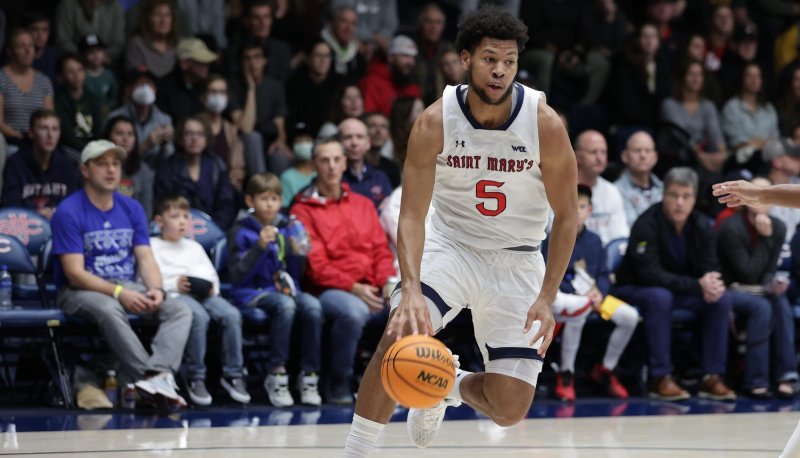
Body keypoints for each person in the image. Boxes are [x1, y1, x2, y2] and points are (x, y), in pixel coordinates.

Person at [343, 6, 577, 455]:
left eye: (509, 61)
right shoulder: (435, 121)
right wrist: (410, 286)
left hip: (518, 256)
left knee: (509, 409)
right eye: (490, 58)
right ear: (466, 59)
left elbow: (567, 217)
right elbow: (411, 214)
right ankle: (357, 449)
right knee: (400, 331)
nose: (500, 71)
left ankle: (445, 383)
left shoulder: (544, 123)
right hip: (451, 246)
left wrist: (547, 296)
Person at [52, 139, 192, 410]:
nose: (111, 170)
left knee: (179, 310)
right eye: (102, 164)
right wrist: (119, 293)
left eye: (115, 164)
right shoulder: (68, 211)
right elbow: (74, 273)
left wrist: (156, 290)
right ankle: (149, 379)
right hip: (80, 291)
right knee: (109, 309)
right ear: (85, 170)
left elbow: (145, 257)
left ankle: (159, 374)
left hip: (126, 284)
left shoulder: (132, 208)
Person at [612, 167, 735, 401]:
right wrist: (698, 285)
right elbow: (650, 274)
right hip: (635, 289)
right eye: (673, 195)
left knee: (720, 298)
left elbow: (711, 264)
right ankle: (661, 378)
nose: (679, 203)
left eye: (686, 197)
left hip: (680, 290)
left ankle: (712, 376)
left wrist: (712, 283)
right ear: (663, 195)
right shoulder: (646, 223)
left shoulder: (701, 224)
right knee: (660, 297)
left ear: (694, 198)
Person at [290, 138, 396, 405]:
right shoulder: (302, 209)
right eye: (324, 160)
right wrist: (354, 287)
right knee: (353, 312)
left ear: (345, 163)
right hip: (329, 289)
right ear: (315, 165)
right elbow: (316, 267)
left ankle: (393, 380)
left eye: (337, 160)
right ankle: (339, 379)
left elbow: (381, 251)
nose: (331, 166)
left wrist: (387, 282)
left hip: (371, 285)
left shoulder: (363, 204)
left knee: (406, 306)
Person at [713, 173, 800, 458]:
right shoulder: (732, 227)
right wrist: (763, 196)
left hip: (759, 291)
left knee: (777, 304)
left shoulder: (775, 227)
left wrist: (763, 196)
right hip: (737, 292)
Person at [228, 173, 323, 407]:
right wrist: (259, 247)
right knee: (286, 306)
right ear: (250, 201)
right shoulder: (241, 230)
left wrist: (295, 252)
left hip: (281, 289)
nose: (270, 204)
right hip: (250, 292)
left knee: (312, 306)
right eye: (264, 198)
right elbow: (237, 275)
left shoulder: (285, 227)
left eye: (275, 198)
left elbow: (293, 272)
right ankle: (277, 373)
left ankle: (308, 374)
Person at [150, 195, 251, 406]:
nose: (182, 222)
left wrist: (210, 287)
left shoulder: (193, 247)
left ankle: (234, 373)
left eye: (185, 217)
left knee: (231, 314)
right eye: (174, 216)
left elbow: (211, 274)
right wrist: (173, 284)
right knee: (198, 316)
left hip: (203, 294)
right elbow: (148, 279)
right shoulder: (152, 246)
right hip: (175, 295)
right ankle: (195, 375)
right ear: (159, 221)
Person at [545, 184, 639, 401]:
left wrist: (601, 294)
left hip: (594, 296)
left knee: (629, 317)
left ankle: (606, 369)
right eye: (572, 205)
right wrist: (581, 296)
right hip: (566, 296)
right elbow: (547, 275)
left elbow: (604, 274)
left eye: (582, 206)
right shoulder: (551, 237)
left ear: (590, 210)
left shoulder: (595, 241)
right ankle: (566, 373)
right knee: (579, 311)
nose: (577, 211)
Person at [154, 116, 237, 229]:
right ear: (181, 138)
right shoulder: (168, 167)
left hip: (215, 230)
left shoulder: (217, 165)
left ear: (207, 138)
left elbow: (226, 205)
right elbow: (163, 205)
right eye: (189, 133)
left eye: (200, 133)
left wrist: (214, 230)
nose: (194, 138)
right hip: (177, 230)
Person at [1, 110, 81, 218]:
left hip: (61, 225)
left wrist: (55, 213)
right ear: (31, 133)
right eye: (44, 128)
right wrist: (36, 215)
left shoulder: (68, 165)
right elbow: (10, 205)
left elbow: (75, 204)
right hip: (25, 227)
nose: (50, 135)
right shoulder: (15, 163)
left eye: (55, 129)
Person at [107, 67, 175, 166]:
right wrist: (146, 144)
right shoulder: (115, 118)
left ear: (155, 90)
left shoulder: (164, 119)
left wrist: (164, 146)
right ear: (129, 89)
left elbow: (169, 159)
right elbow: (111, 157)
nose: (145, 88)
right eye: (139, 84)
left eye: (149, 84)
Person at [0, 29, 54, 147]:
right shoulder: (1, 78)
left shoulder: (44, 81)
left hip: (39, 141)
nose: (28, 51)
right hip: (10, 141)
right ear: (10, 51)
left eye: (31, 45)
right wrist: (20, 137)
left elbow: (49, 118)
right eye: (21, 46)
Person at [575, 130, 629, 246]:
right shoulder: (562, 189)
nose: (599, 158)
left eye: (603, 152)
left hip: (607, 260)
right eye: (593, 152)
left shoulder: (612, 191)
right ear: (577, 156)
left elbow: (620, 237)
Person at [196, 74, 247, 192]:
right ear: (203, 96)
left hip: (224, 187)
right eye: (213, 92)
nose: (218, 96)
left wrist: (236, 175)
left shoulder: (231, 130)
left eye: (222, 92)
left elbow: (239, 167)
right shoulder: (193, 126)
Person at [156, 37, 218, 121]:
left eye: (207, 62)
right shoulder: (163, 89)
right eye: (201, 61)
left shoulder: (207, 86)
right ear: (184, 64)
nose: (207, 65)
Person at [104, 116, 155, 219]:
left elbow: (146, 213)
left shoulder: (144, 171)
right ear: (108, 137)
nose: (125, 139)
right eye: (119, 133)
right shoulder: (97, 168)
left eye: (130, 134)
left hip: (133, 227)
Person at [359, 35, 422, 117]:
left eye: (413, 57)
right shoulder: (372, 82)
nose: (410, 62)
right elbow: (370, 116)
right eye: (405, 56)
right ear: (391, 57)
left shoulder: (413, 86)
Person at [55, 54, 105, 152]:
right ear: (61, 76)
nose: (76, 75)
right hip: (68, 151)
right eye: (70, 71)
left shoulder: (93, 99)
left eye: (79, 70)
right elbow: (67, 136)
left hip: (93, 150)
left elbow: (98, 131)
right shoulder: (59, 101)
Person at [339, 117, 392, 209]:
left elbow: (390, 212)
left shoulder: (380, 178)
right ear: (338, 142)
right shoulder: (331, 178)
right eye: (348, 137)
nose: (354, 143)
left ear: (368, 143)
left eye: (359, 137)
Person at [614, 131, 663, 227]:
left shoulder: (665, 189)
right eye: (637, 150)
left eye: (647, 151)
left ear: (655, 157)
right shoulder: (615, 191)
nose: (642, 155)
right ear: (625, 156)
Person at [55, 0, 125, 64]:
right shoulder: (67, 5)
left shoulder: (115, 6)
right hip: (77, 61)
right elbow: (63, 40)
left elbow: (117, 42)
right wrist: (83, 58)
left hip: (107, 62)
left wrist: (102, 57)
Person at [125, 0, 181, 78]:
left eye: (167, 15)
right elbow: (134, 77)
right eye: (158, 15)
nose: (163, 21)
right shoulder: (137, 44)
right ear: (148, 18)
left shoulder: (178, 43)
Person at [321, 6, 367, 81]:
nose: (348, 28)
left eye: (353, 23)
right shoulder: (319, 49)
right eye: (344, 21)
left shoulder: (358, 57)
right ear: (333, 23)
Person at [79, 34, 118, 114]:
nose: (96, 55)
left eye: (99, 50)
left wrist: (108, 107)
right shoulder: (81, 76)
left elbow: (115, 97)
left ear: (104, 53)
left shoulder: (109, 75)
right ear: (83, 55)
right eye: (91, 52)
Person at [279, 126, 316, 208]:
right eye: (299, 141)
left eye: (307, 140)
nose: (303, 144)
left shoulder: (321, 174)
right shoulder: (287, 177)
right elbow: (285, 207)